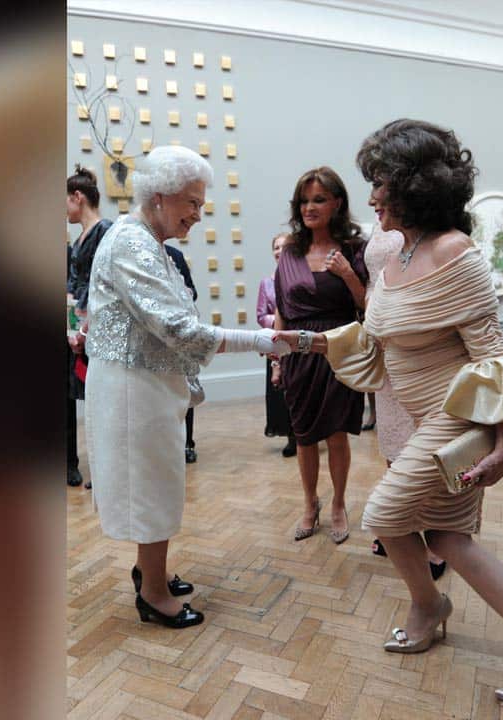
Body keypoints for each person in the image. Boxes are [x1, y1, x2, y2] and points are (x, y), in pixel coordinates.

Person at [274, 119, 503, 716]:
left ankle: (432, 607)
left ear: (415, 189)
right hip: (418, 416)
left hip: (456, 419)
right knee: (447, 536)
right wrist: (299, 342)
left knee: (384, 514)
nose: (370, 199)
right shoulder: (397, 250)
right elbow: (378, 338)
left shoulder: (455, 253)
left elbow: (492, 354)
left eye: (381, 186)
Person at [85, 146, 291, 629]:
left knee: (157, 483)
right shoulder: (132, 244)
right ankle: (153, 593)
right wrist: (261, 340)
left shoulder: (148, 241)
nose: (199, 214)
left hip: (149, 382)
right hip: (134, 387)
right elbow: (179, 327)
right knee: (151, 487)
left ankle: (151, 568)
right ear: (159, 197)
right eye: (192, 203)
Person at [273, 167, 368, 544]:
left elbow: (365, 304)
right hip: (298, 350)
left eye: (319, 199)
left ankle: (339, 504)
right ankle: (310, 504)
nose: (309, 207)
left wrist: (347, 274)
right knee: (304, 435)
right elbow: (282, 307)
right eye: (304, 200)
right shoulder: (291, 250)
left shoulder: (353, 250)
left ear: (337, 203)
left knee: (337, 435)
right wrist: (277, 355)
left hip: (338, 349)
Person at [361, 223, 445, 579]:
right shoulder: (374, 231)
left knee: (422, 446)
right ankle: (400, 527)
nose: (373, 199)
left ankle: (435, 541)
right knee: (393, 442)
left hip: (416, 349)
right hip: (381, 347)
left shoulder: (431, 233)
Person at [67, 165, 113, 488]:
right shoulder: (79, 238)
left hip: (97, 333)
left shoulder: (105, 232)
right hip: (79, 333)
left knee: (102, 403)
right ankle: (98, 467)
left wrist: (85, 331)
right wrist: (73, 330)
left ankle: (106, 469)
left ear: (78, 197)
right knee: (88, 399)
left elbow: (103, 289)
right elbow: (73, 287)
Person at [258, 233, 297, 457]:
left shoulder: (301, 279)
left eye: (283, 247)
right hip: (275, 342)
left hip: (298, 342)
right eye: (275, 247)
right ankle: (290, 436)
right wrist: (280, 320)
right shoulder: (266, 282)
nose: (278, 251)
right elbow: (261, 315)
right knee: (280, 394)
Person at [163, 242, 201, 463]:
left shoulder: (175, 254)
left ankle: (188, 443)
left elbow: (192, 292)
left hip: (179, 334)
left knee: (186, 390)